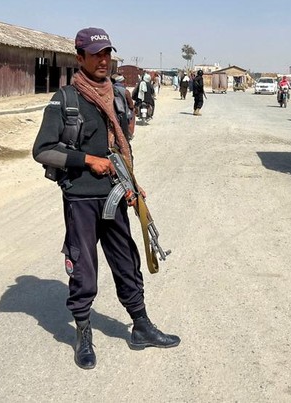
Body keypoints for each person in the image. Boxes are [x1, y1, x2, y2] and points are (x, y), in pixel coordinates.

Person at [31, 27, 180, 370]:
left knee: (127, 261)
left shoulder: (116, 95)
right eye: (95, 54)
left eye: (107, 54)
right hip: (81, 199)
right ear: (79, 58)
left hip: (115, 195)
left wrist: (133, 183)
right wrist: (86, 160)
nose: (103, 60)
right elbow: (42, 150)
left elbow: (120, 149)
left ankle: (140, 326)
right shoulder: (65, 99)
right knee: (83, 267)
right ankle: (83, 333)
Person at [112, 73, 135, 138]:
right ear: (122, 82)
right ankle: (129, 133)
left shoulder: (111, 89)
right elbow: (131, 105)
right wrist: (132, 108)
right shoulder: (126, 91)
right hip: (123, 113)